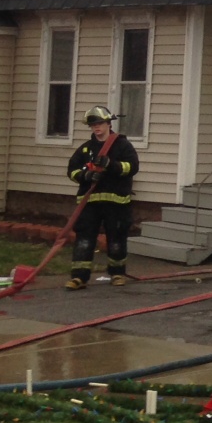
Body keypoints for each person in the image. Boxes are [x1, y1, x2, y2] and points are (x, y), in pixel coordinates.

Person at [65, 107, 139, 289]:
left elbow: (132, 167)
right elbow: (72, 171)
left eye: (99, 123)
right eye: (93, 125)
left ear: (108, 123)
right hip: (89, 204)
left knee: (116, 239)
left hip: (117, 203)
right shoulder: (85, 149)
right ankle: (79, 277)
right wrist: (86, 176)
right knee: (84, 239)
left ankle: (117, 274)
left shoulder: (122, 146)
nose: (96, 128)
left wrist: (111, 165)